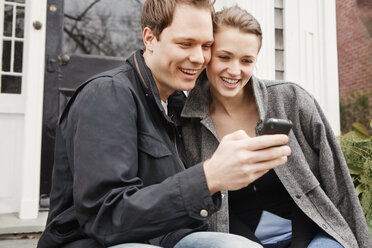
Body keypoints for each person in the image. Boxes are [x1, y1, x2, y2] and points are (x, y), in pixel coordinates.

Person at [37, 1, 292, 248]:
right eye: (185, 43)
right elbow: (106, 218)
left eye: (207, 46)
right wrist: (209, 176)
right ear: (149, 38)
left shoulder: (180, 104)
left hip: (167, 237)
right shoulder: (108, 95)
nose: (198, 57)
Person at [181, 5, 372, 248]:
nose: (235, 70)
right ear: (208, 55)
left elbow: (336, 180)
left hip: (314, 236)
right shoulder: (189, 125)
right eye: (224, 57)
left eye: (246, 60)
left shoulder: (292, 100)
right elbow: (208, 211)